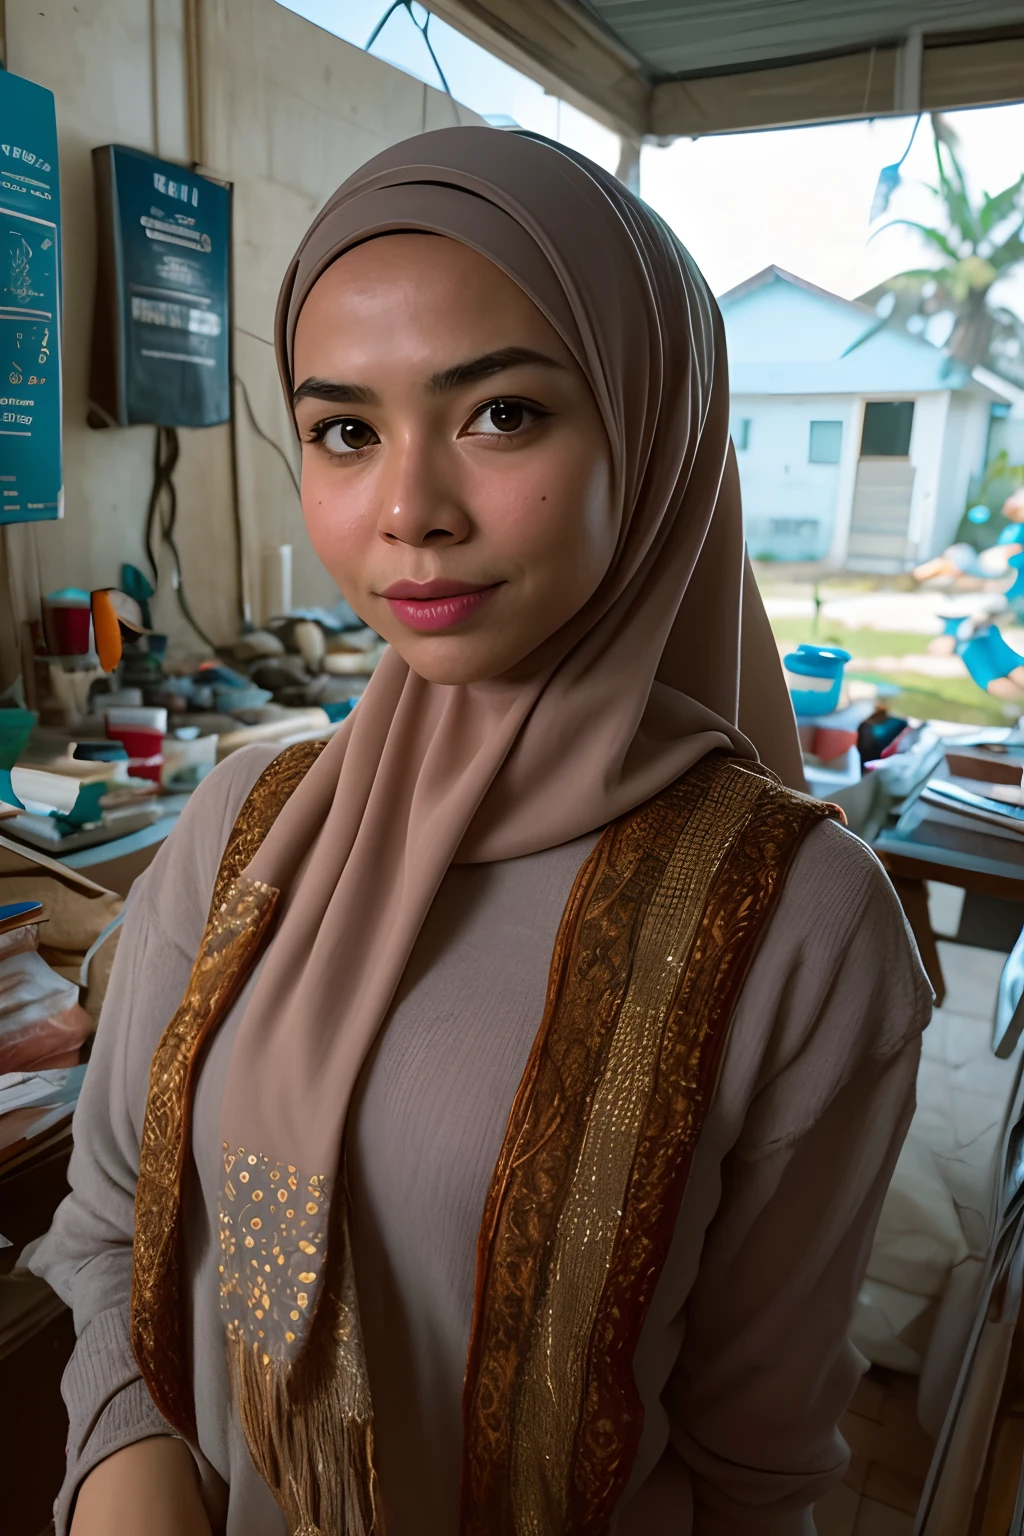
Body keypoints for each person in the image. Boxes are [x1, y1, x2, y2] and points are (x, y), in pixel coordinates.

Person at [28, 128, 931, 1536]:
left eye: (501, 413)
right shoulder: (239, 834)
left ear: (653, 427)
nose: (408, 512)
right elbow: (106, 1236)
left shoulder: (796, 927)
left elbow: (754, 1474)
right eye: (344, 431)